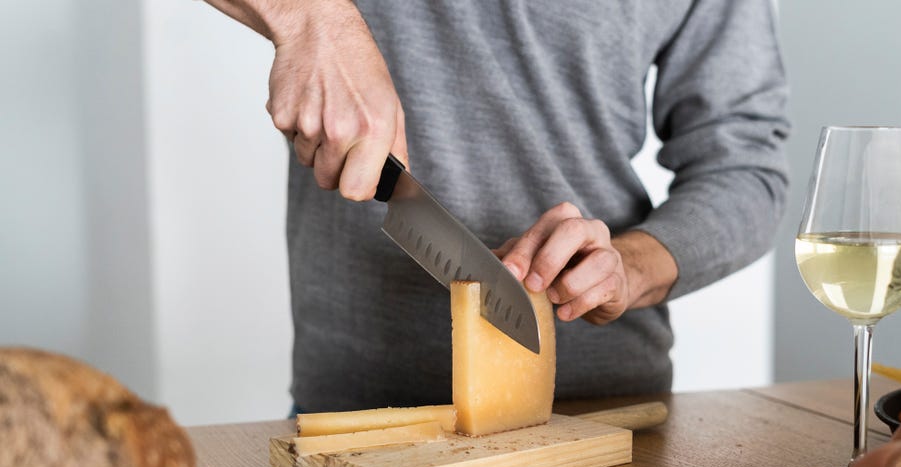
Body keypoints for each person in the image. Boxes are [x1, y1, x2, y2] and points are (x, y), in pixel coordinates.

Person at [202, 0, 790, 411]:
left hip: (599, 419)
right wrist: (310, 17)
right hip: (350, 417)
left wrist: (629, 269)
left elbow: (745, 167)